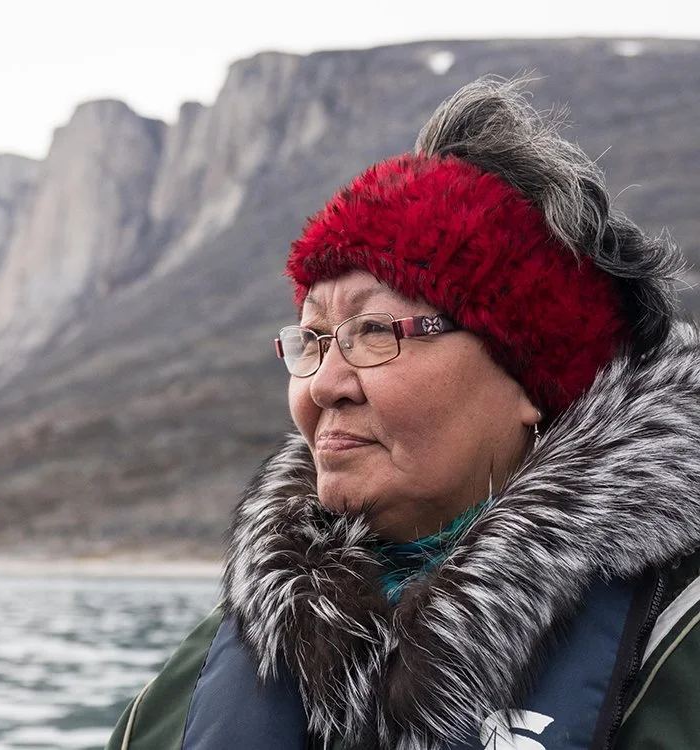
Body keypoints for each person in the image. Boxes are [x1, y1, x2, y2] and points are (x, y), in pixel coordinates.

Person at [106, 76, 700, 750]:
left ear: (531, 377)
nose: (324, 384)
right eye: (312, 339)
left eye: (375, 332)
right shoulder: (186, 694)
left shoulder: (679, 646)